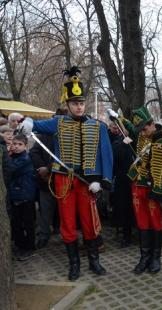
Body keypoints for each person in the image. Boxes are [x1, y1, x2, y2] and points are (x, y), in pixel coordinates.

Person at [19, 66, 112, 281]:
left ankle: (94, 261)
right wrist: (28, 123)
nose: (79, 107)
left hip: (88, 181)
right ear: (67, 104)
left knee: (89, 221)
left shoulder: (97, 126)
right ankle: (74, 264)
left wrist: (102, 179)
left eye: (81, 103)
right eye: (74, 103)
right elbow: (38, 125)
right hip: (63, 179)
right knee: (67, 222)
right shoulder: (58, 122)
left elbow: (106, 155)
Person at [122, 106, 162, 274]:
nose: (142, 133)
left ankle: (156, 259)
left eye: (145, 128)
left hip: (154, 189)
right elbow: (125, 126)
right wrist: (116, 117)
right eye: (139, 130)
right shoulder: (140, 138)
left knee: (155, 222)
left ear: (152, 124)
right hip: (138, 185)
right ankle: (144, 258)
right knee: (142, 222)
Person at [29, 108, 68, 249]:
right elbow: (34, 152)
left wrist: (49, 168)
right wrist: (42, 170)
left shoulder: (70, 136)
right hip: (46, 181)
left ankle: (66, 236)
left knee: (65, 212)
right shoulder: (43, 135)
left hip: (64, 181)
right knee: (45, 211)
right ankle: (44, 235)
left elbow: (66, 159)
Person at [8, 134, 36, 261]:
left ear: (25, 146)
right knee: (16, 223)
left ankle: (29, 248)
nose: (17, 147)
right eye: (15, 144)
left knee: (28, 223)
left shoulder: (25, 158)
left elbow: (10, 170)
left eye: (20, 144)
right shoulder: (13, 156)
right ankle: (21, 245)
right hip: (15, 195)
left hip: (25, 196)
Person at [108, 118, 134, 248]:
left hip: (135, 179)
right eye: (116, 127)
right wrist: (123, 144)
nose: (119, 129)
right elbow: (115, 156)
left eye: (121, 126)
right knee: (124, 209)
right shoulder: (116, 142)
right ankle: (126, 235)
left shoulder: (133, 138)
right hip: (123, 180)